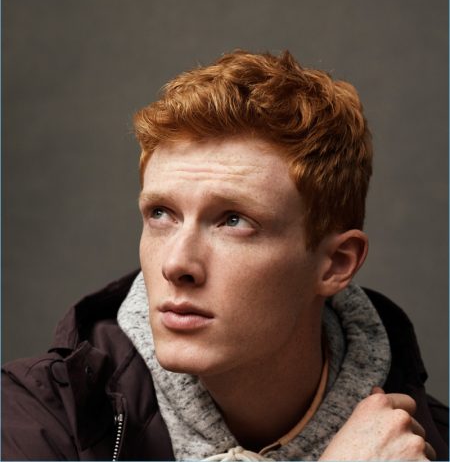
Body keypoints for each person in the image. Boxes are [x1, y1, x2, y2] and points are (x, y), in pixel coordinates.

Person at [2, 50, 448, 461]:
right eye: (161, 214)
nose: (176, 264)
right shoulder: (39, 417)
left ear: (336, 263)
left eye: (233, 220)